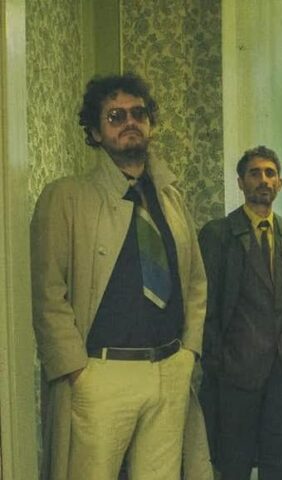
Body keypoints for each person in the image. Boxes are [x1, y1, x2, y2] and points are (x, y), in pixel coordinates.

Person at [30, 73, 208, 480]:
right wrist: (78, 373)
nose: (130, 122)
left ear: (150, 123)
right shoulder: (66, 197)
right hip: (101, 375)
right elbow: (48, 295)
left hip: (169, 369)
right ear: (95, 131)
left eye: (138, 113)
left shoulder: (170, 198)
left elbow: (196, 281)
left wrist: (189, 353)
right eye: (115, 116)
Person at [197, 145, 282, 480]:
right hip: (236, 375)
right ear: (241, 182)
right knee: (233, 467)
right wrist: (218, 361)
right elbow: (205, 306)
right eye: (254, 173)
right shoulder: (218, 234)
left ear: (280, 182)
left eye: (270, 173)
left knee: (280, 468)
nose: (263, 180)